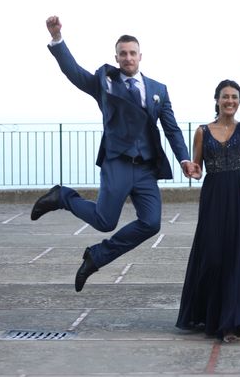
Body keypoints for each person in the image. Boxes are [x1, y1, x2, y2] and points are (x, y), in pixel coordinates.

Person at [31, 16, 196, 292]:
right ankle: (62, 197)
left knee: (151, 223)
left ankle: (96, 257)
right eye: (123, 54)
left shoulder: (158, 90)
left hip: (144, 168)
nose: (128, 58)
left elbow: (172, 129)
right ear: (116, 57)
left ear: (140, 56)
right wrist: (58, 39)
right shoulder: (104, 82)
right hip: (117, 162)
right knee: (105, 221)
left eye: (132, 53)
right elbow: (74, 72)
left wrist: (184, 159)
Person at [176, 58, 240, 343]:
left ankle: (231, 322)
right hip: (214, 195)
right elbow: (198, 168)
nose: (230, 101)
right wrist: (191, 168)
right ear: (216, 100)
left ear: (239, 102)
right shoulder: (202, 131)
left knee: (238, 255)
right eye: (225, 96)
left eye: (234, 97)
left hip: (239, 193)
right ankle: (209, 314)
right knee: (213, 254)